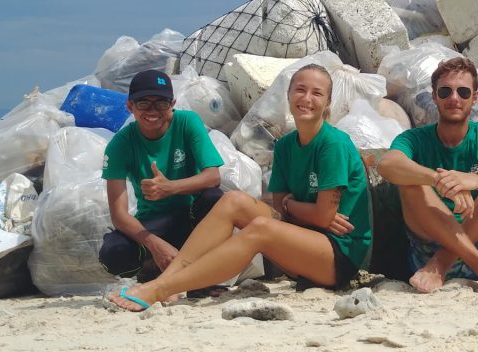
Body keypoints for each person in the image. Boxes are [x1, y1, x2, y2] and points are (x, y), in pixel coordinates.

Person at [111, 64, 372, 311]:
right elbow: (281, 205)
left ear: (327, 102)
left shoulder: (332, 144)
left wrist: (294, 206)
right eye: (300, 89)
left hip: (336, 257)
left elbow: (316, 215)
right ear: (289, 94)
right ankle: (166, 283)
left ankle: (158, 289)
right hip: (302, 241)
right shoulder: (285, 145)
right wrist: (302, 210)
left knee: (261, 228)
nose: (307, 98)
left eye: (317, 93)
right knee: (233, 200)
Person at [377, 57, 478, 293]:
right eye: (445, 91)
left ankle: (444, 262)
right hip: (437, 250)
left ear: (474, 98)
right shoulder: (414, 138)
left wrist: (476, 179)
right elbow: (388, 164)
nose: (454, 98)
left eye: (463, 92)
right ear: (434, 96)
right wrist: (440, 180)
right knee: (410, 180)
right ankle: (477, 265)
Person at [100, 69, 225, 280]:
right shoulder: (120, 145)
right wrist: (154, 244)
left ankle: (203, 278)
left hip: (191, 217)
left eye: (161, 103)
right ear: (130, 106)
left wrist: (170, 188)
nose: (153, 111)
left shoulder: (187, 122)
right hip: (154, 222)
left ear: (172, 104)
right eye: (143, 104)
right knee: (113, 252)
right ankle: (150, 267)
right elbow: (119, 215)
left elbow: (213, 177)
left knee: (214, 199)